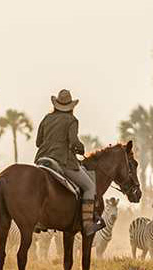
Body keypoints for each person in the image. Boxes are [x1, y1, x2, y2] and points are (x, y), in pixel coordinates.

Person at [35, 89, 104, 235]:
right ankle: (87, 224)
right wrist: (80, 148)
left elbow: (38, 142)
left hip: (42, 160)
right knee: (90, 187)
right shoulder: (72, 120)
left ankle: (37, 219)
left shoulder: (46, 118)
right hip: (62, 161)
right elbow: (73, 142)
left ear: (56, 104)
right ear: (71, 106)